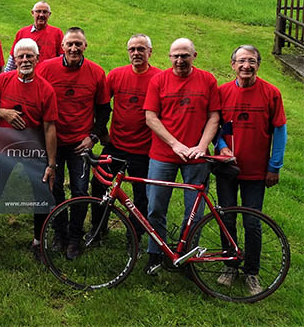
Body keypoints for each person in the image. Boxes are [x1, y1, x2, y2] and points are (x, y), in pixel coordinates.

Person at [0, 39, 58, 261]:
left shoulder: (45, 89)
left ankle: (38, 242)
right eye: (21, 57)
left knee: (40, 195)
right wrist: (3, 113)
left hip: (33, 149)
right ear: (14, 60)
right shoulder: (3, 80)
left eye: (29, 56)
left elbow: (50, 127)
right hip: (4, 147)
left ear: (37, 59)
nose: (25, 60)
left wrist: (51, 164)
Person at [143, 37, 220, 274]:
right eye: (175, 55)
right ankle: (156, 253)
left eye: (185, 55)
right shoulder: (159, 80)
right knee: (156, 206)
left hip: (196, 156)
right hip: (163, 153)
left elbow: (214, 116)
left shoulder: (207, 80)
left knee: (194, 211)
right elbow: (151, 117)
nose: (180, 60)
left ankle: (188, 257)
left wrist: (201, 145)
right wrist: (175, 144)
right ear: (169, 57)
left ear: (194, 56)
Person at [214, 44, 287, 295]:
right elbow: (217, 127)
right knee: (227, 218)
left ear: (258, 64)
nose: (247, 65)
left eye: (252, 61)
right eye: (242, 61)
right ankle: (229, 266)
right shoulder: (222, 92)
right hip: (227, 169)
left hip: (256, 171)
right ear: (232, 64)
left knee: (252, 222)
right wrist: (222, 146)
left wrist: (274, 166)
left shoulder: (271, 93)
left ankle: (252, 272)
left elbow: (280, 132)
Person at [36, 27, 110, 259]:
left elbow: (104, 110)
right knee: (54, 188)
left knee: (80, 191)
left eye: (79, 44)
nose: (74, 48)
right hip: (53, 143)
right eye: (70, 44)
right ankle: (60, 233)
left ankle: (76, 238)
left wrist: (93, 137)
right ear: (62, 47)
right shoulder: (46, 68)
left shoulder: (97, 73)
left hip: (80, 144)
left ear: (85, 46)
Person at [90, 34, 160, 240]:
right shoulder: (116, 75)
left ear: (150, 52)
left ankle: (135, 235)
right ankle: (98, 227)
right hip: (117, 145)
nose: (136, 53)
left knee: (142, 194)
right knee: (98, 184)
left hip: (145, 149)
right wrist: (103, 134)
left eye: (141, 49)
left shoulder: (158, 78)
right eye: (132, 49)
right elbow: (102, 106)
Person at [4, 1, 63, 72]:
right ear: (32, 13)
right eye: (38, 11)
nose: (41, 15)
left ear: (49, 14)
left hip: (48, 76)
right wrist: (6, 75)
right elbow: (13, 58)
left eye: (45, 12)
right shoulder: (22, 33)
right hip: (26, 74)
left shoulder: (57, 33)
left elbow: (62, 58)